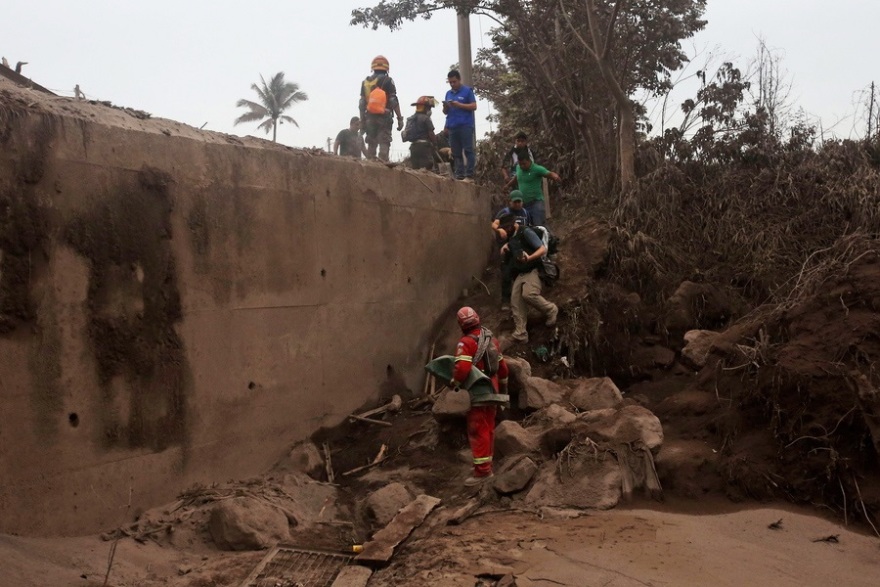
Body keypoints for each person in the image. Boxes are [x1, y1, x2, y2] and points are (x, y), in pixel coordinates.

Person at [450, 307, 509, 485]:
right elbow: (504, 369)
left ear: (461, 324)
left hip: (479, 391)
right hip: (493, 390)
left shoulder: (466, 343)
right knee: (489, 427)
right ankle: (486, 464)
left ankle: (482, 472)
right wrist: (503, 388)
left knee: (477, 429)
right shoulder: (492, 341)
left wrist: (455, 383)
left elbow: (462, 369)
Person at [499, 217, 558, 344]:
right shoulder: (512, 236)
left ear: (512, 225)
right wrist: (506, 247)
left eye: (505, 228)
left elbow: (542, 249)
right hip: (520, 272)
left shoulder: (526, 232)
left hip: (533, 269)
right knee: (515, 301)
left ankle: (551, 309)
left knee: (528, 293)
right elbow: (513, 245)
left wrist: (529, 258)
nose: (504, 231)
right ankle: (520, 333)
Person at [358, 55, 403, 162]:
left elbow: (362, 103)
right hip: (385, 117)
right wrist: (399, 118)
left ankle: (370, 164)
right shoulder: (388, 80)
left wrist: (362, 121)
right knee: (384, 142)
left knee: (371, 143)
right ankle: (383, 165)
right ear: (387, 68)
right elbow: (393, 101)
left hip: (369, 117)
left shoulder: (366, 82)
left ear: (372, 68)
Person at [491, 193, 532, 310]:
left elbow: (529, 228)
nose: (518, 204)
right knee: (506, 272)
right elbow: (494, 223)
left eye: (519, 201)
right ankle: (505, 300)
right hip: (506, 246)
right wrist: (499, 230)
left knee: (523, 270)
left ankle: (524, 297)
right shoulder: (505, 212)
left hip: (520, 245)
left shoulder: (525, 213)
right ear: (510, 202)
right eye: (515, 202)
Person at [506, 154, 560, 227]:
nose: (522, 166)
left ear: (529, 161)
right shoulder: (518, 168)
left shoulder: (537, 169)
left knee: (539, 226)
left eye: (524, 164)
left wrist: (555, 177)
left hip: (536, 203)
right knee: (526, 227)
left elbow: (549, 173)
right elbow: (516, 178)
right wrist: (508, 185)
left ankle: (551, 238)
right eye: (520, 164)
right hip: (523, 205)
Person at [442, 69, 478, 181]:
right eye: (450, 82)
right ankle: (460, 175)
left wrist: (459, 105)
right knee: (456, 153)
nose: (452, 84)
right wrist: (446, 107)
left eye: (454, 82)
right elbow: (445, 112)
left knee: (468, 150)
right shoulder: (448, 93)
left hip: (465, 125)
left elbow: (474, 106)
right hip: (453, 126)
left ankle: (470, 175)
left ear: (459, 80)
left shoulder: (467, 91)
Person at [405, 96, 437, 170]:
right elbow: (431, 133)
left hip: (413, 147)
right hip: (424, 147)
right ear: (426, 107)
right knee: (425, 169)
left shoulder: (411, 119)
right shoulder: (426, 118)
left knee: (415, 169)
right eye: (429, 108)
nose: (430, 110)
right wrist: (435, 144)